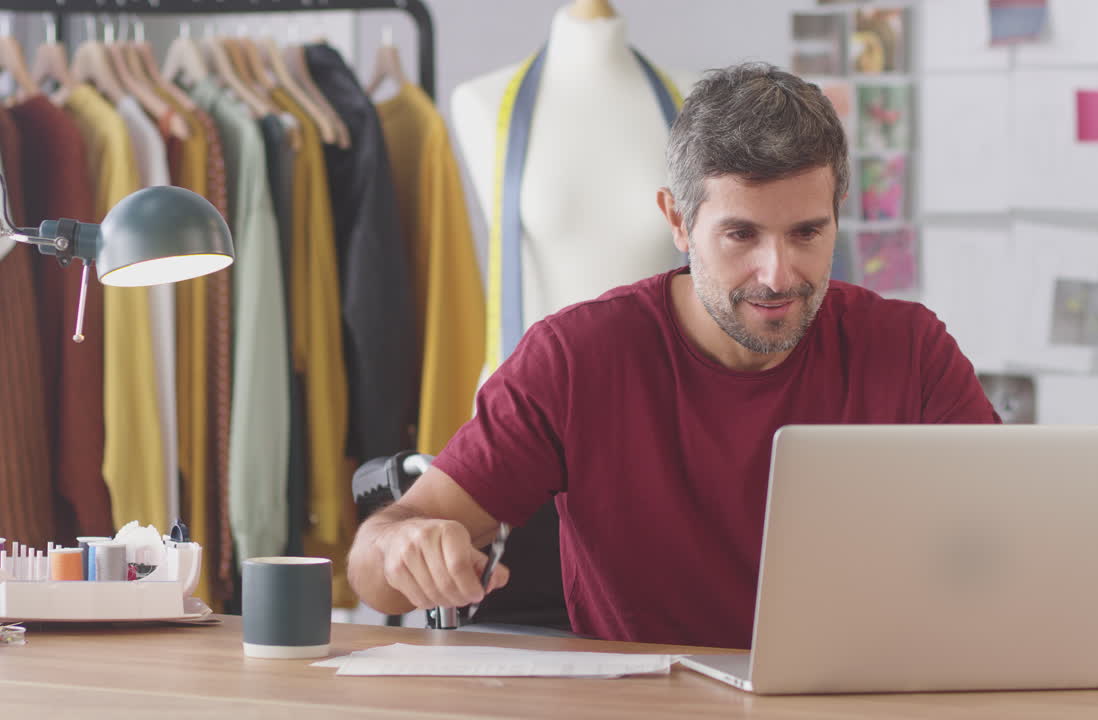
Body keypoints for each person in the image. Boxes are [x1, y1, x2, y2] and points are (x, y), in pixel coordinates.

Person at [348, 62, 999, 650]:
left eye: (807, 233)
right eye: (741, 234)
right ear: (679, 222)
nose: (777, 274)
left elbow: (1012, 540)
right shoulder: (575, 360)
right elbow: (378, 578)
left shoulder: (910, 350)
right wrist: (401, 547)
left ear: (837, 215)